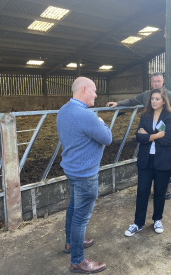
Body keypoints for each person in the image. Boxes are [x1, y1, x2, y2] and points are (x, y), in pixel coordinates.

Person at [56, 77, 112, 273]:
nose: (96, 95)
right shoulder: (87, 115)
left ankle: (71, 243)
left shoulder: (63, 111)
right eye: (95, 90)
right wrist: (101, 122)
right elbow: (107, 138)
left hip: (71, 169)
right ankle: (78, 260)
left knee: (73, 207)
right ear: (85, 89)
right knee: (81, 217)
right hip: (85, 174)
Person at [106, 72, 171, 199]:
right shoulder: (146, 95)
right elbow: (132, 101)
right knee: (152, 161)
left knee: (164, 160)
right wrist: (118, 104)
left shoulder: (170, 95)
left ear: (163, 81)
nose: (156, 84)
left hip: (164, 135)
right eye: (153, 82)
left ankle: (170, 182)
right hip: (149, 135)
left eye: (158, 81)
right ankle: (161, 185)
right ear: (151, 82)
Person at [124, 88, 171, 237]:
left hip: (163, 161)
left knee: (160, 192)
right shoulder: (145, 115)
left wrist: (147, 136)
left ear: (164, 101)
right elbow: (137, 137)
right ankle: (138, 223)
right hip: (146, 159)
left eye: (157, 99)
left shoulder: (170, 116)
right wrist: (154, 136)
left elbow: (168, 140)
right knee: (142, 191)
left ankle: (157, 220)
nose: (154, 101)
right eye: (152, 98)